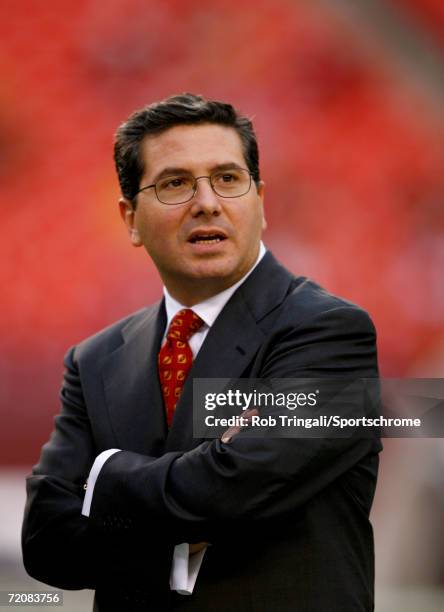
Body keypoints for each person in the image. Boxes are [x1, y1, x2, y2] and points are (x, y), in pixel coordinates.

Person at [22, 93, 382, 611]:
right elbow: (45, 539)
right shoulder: (94, 360)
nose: (207, 202)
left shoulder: (329, 332)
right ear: (130, 219)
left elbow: (234, 484)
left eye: (228, 179)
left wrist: (105, 475)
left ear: (261, 200)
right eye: (176, 184)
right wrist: (187, 523)